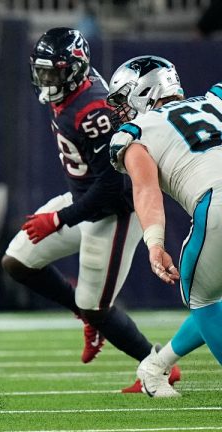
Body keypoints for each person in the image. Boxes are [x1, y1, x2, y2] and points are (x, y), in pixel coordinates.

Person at [1, 28, 179, 391]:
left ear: (76, 70)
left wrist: (59, 219)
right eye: (42, 72)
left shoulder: (95, 110)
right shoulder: (75, 89)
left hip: (112, 212)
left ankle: (160, 366)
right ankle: (88, 317)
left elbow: (111, 187)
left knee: (97, 306)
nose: (46, 81)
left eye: (53, 73)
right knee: (17, 260)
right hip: (83, 197)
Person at [108, 55, 222, 397]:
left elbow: (146, 190)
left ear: (143, 91)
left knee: (203, 298)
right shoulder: (217, 99)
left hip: (216, 205)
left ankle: (154, 367)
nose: (121, 109)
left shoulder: (136, 132)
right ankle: (156, 366)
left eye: (123, 98)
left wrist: (154, 243)